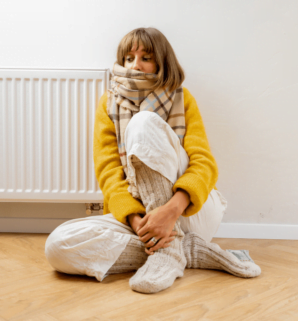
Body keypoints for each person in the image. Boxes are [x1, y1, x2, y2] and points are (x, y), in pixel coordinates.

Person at [45, 27, 261, 294]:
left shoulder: (181, 98)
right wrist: (138, 223)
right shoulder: (108, 103)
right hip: (141, 218)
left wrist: (170, 211)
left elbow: (204, 163)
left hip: (190, 211)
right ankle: (184, 249)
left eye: (146, 57)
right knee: (57, 246)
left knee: (143, 122)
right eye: (129, 58)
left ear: (161, 61)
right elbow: (109, 173)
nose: (136, 65)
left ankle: (169, 249)